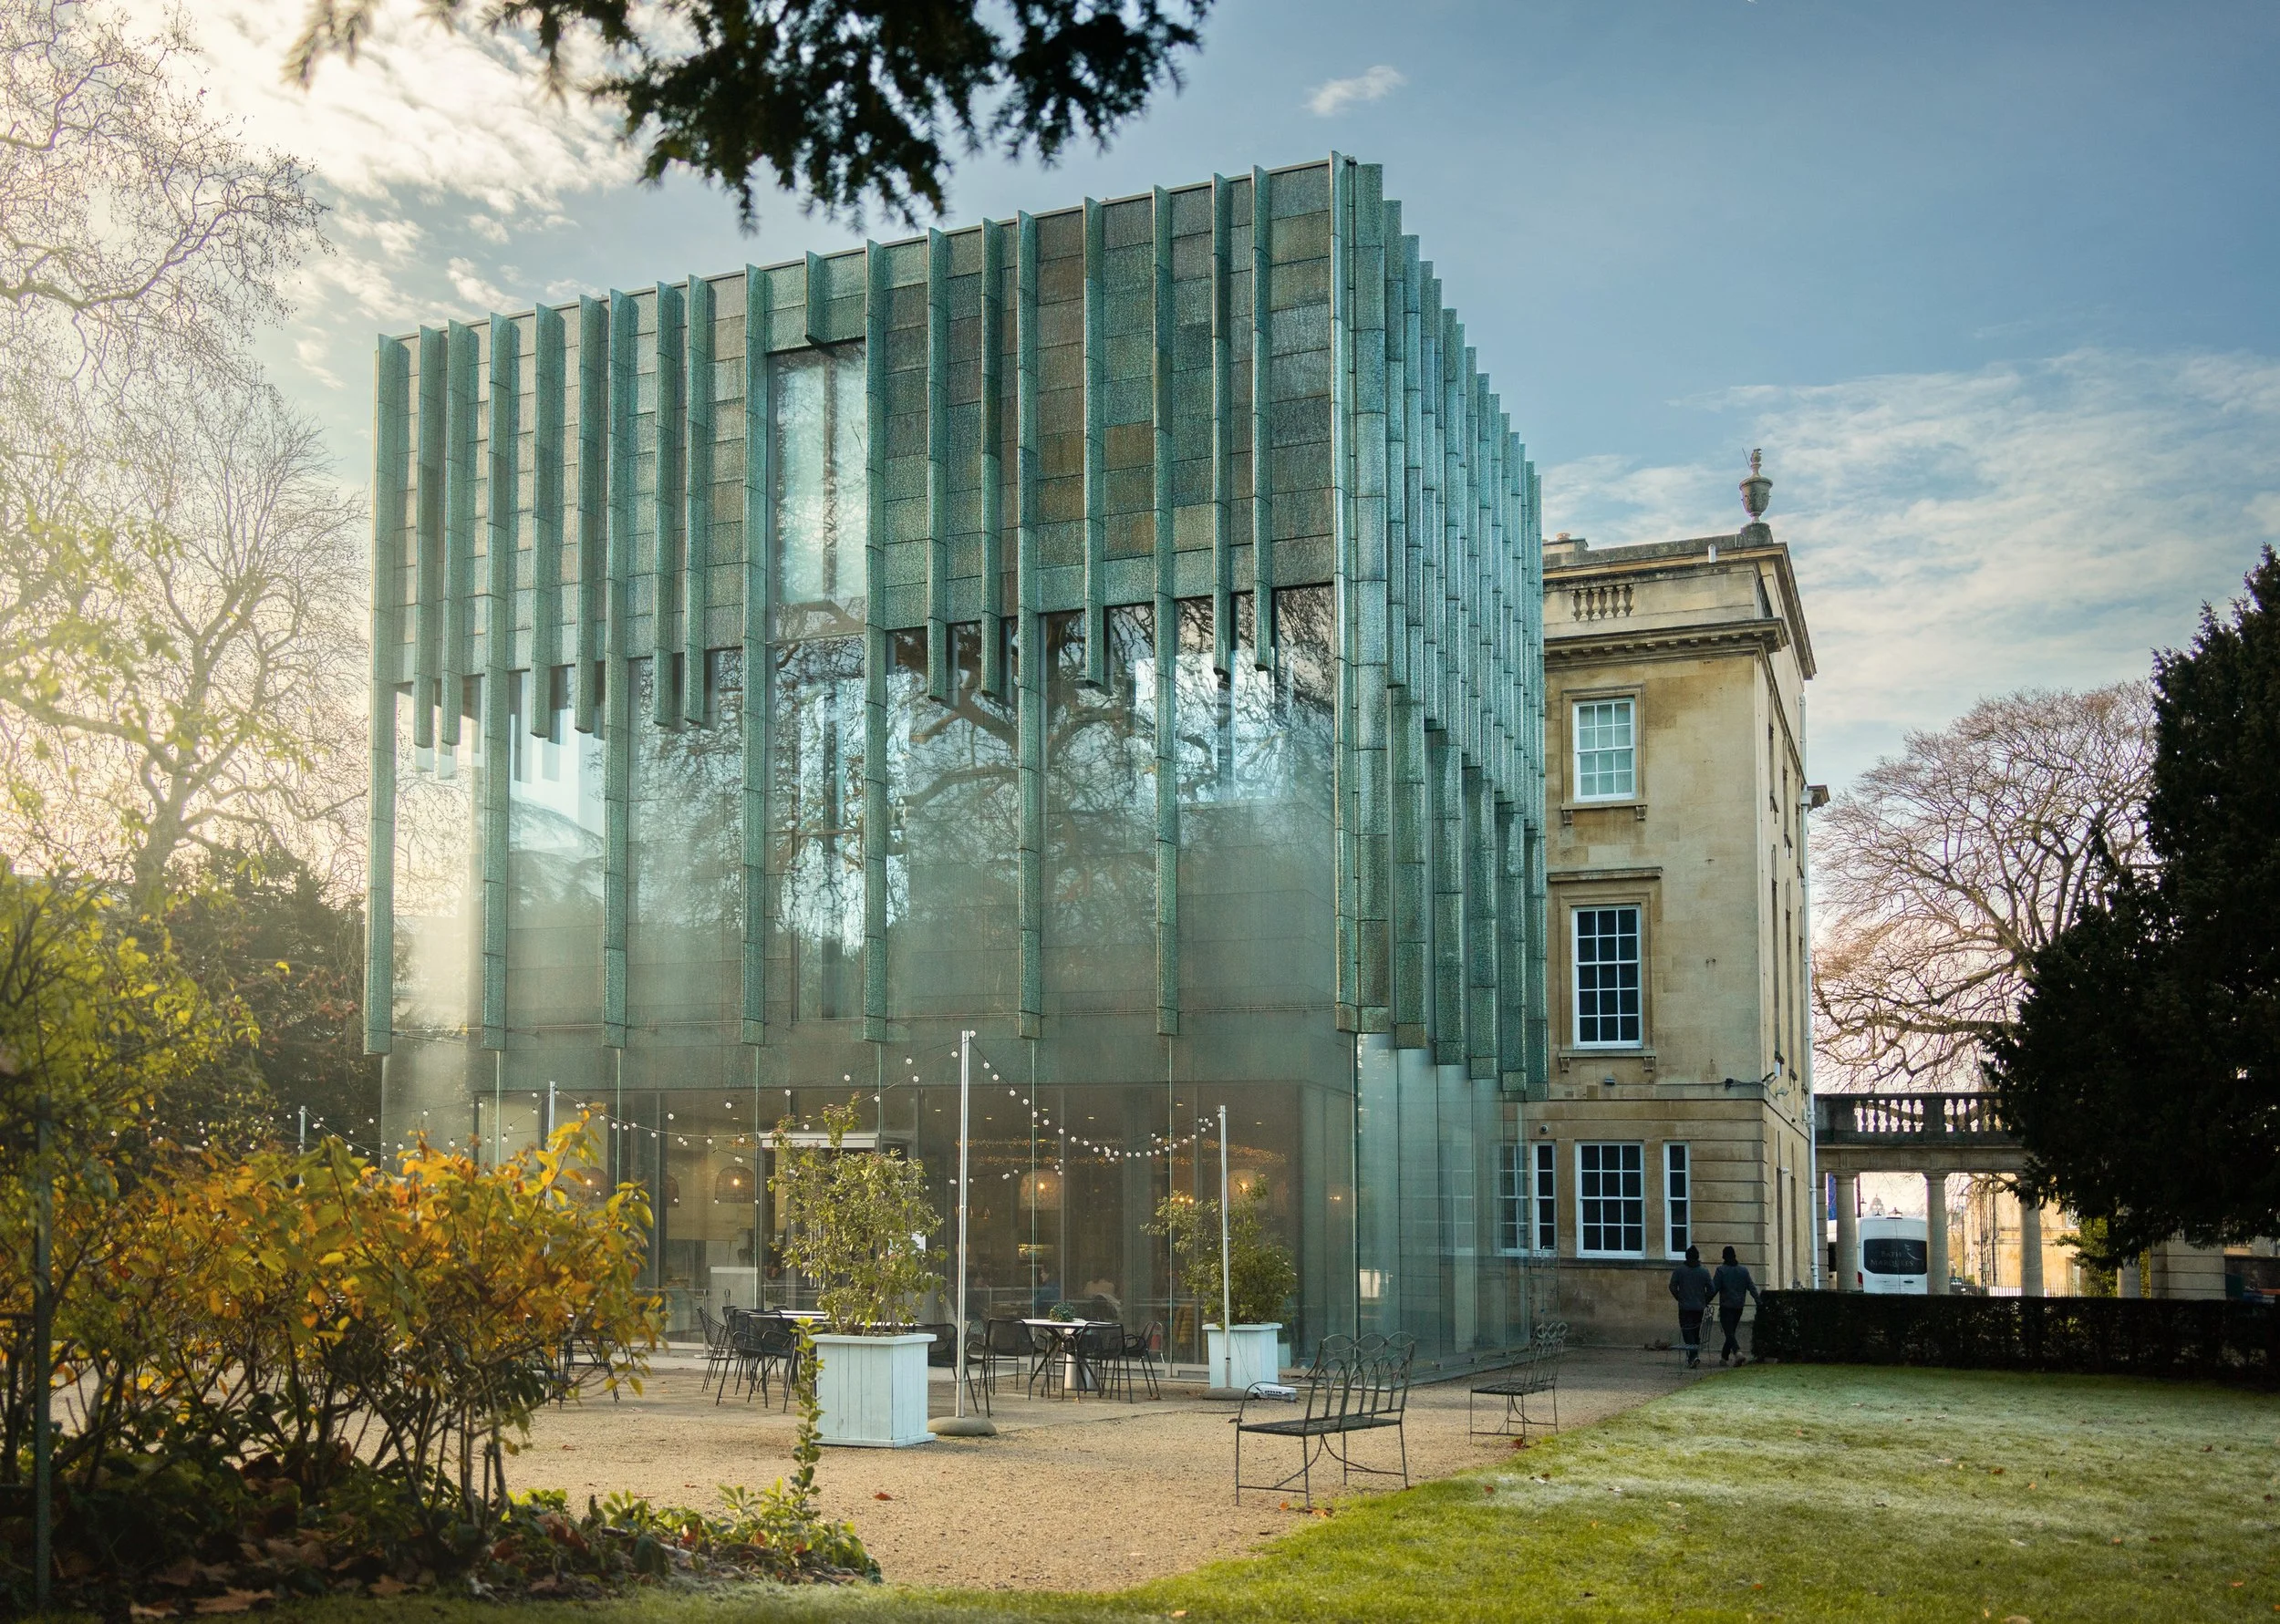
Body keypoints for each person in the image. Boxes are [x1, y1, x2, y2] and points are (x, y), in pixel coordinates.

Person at [1710, 1246, 1762, 1365]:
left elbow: (1714, 1289)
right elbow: (1751, 1287)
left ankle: (1738, 1352)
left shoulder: (1721, 1270)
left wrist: (1705, 1301)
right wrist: (1759, 1301)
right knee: (1731, 1331)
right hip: (1739, 1306)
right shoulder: (1743, 1271)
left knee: (1729, 1332)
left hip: (1726, 1306)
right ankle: (1724, 1358)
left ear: (1724, 1257)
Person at [1667, 1245, 1714, 1369]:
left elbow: (1672, 1287)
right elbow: (1712, 1289)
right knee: (1695, 1331)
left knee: (1687, 1331)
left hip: (1685, 1307)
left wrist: (1679, 1297)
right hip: (1699, 1307)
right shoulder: (1704, 1271)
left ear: (1687, 1257)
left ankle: (1693, 1356)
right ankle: (1693, 1356)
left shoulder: (1680, 1270)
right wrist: (1705, 1300)